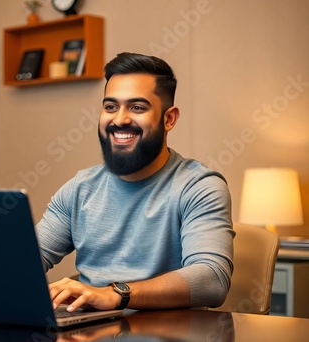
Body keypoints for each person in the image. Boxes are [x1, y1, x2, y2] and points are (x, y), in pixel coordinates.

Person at [36, 52, 234, 313]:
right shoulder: (80, 188)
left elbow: (212, 280)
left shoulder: (199, 187)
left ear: (169, 118)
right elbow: (23, 263)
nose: (119, 119)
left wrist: (116, 294)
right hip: (90, 332)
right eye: (110, 107)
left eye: (137, 107)